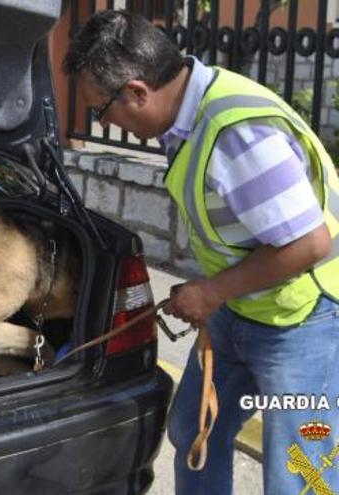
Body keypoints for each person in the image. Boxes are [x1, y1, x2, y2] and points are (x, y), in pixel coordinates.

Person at [64, 10, 339, 494]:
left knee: (300, 469)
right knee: (194, 428)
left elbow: (309, 243)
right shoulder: (186, 116)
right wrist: (217, 295)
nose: (102, 121)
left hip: (305, 320)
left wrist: (211, 292)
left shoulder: (236, 133)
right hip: (244, 307)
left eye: (101, 111)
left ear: (136, 91)